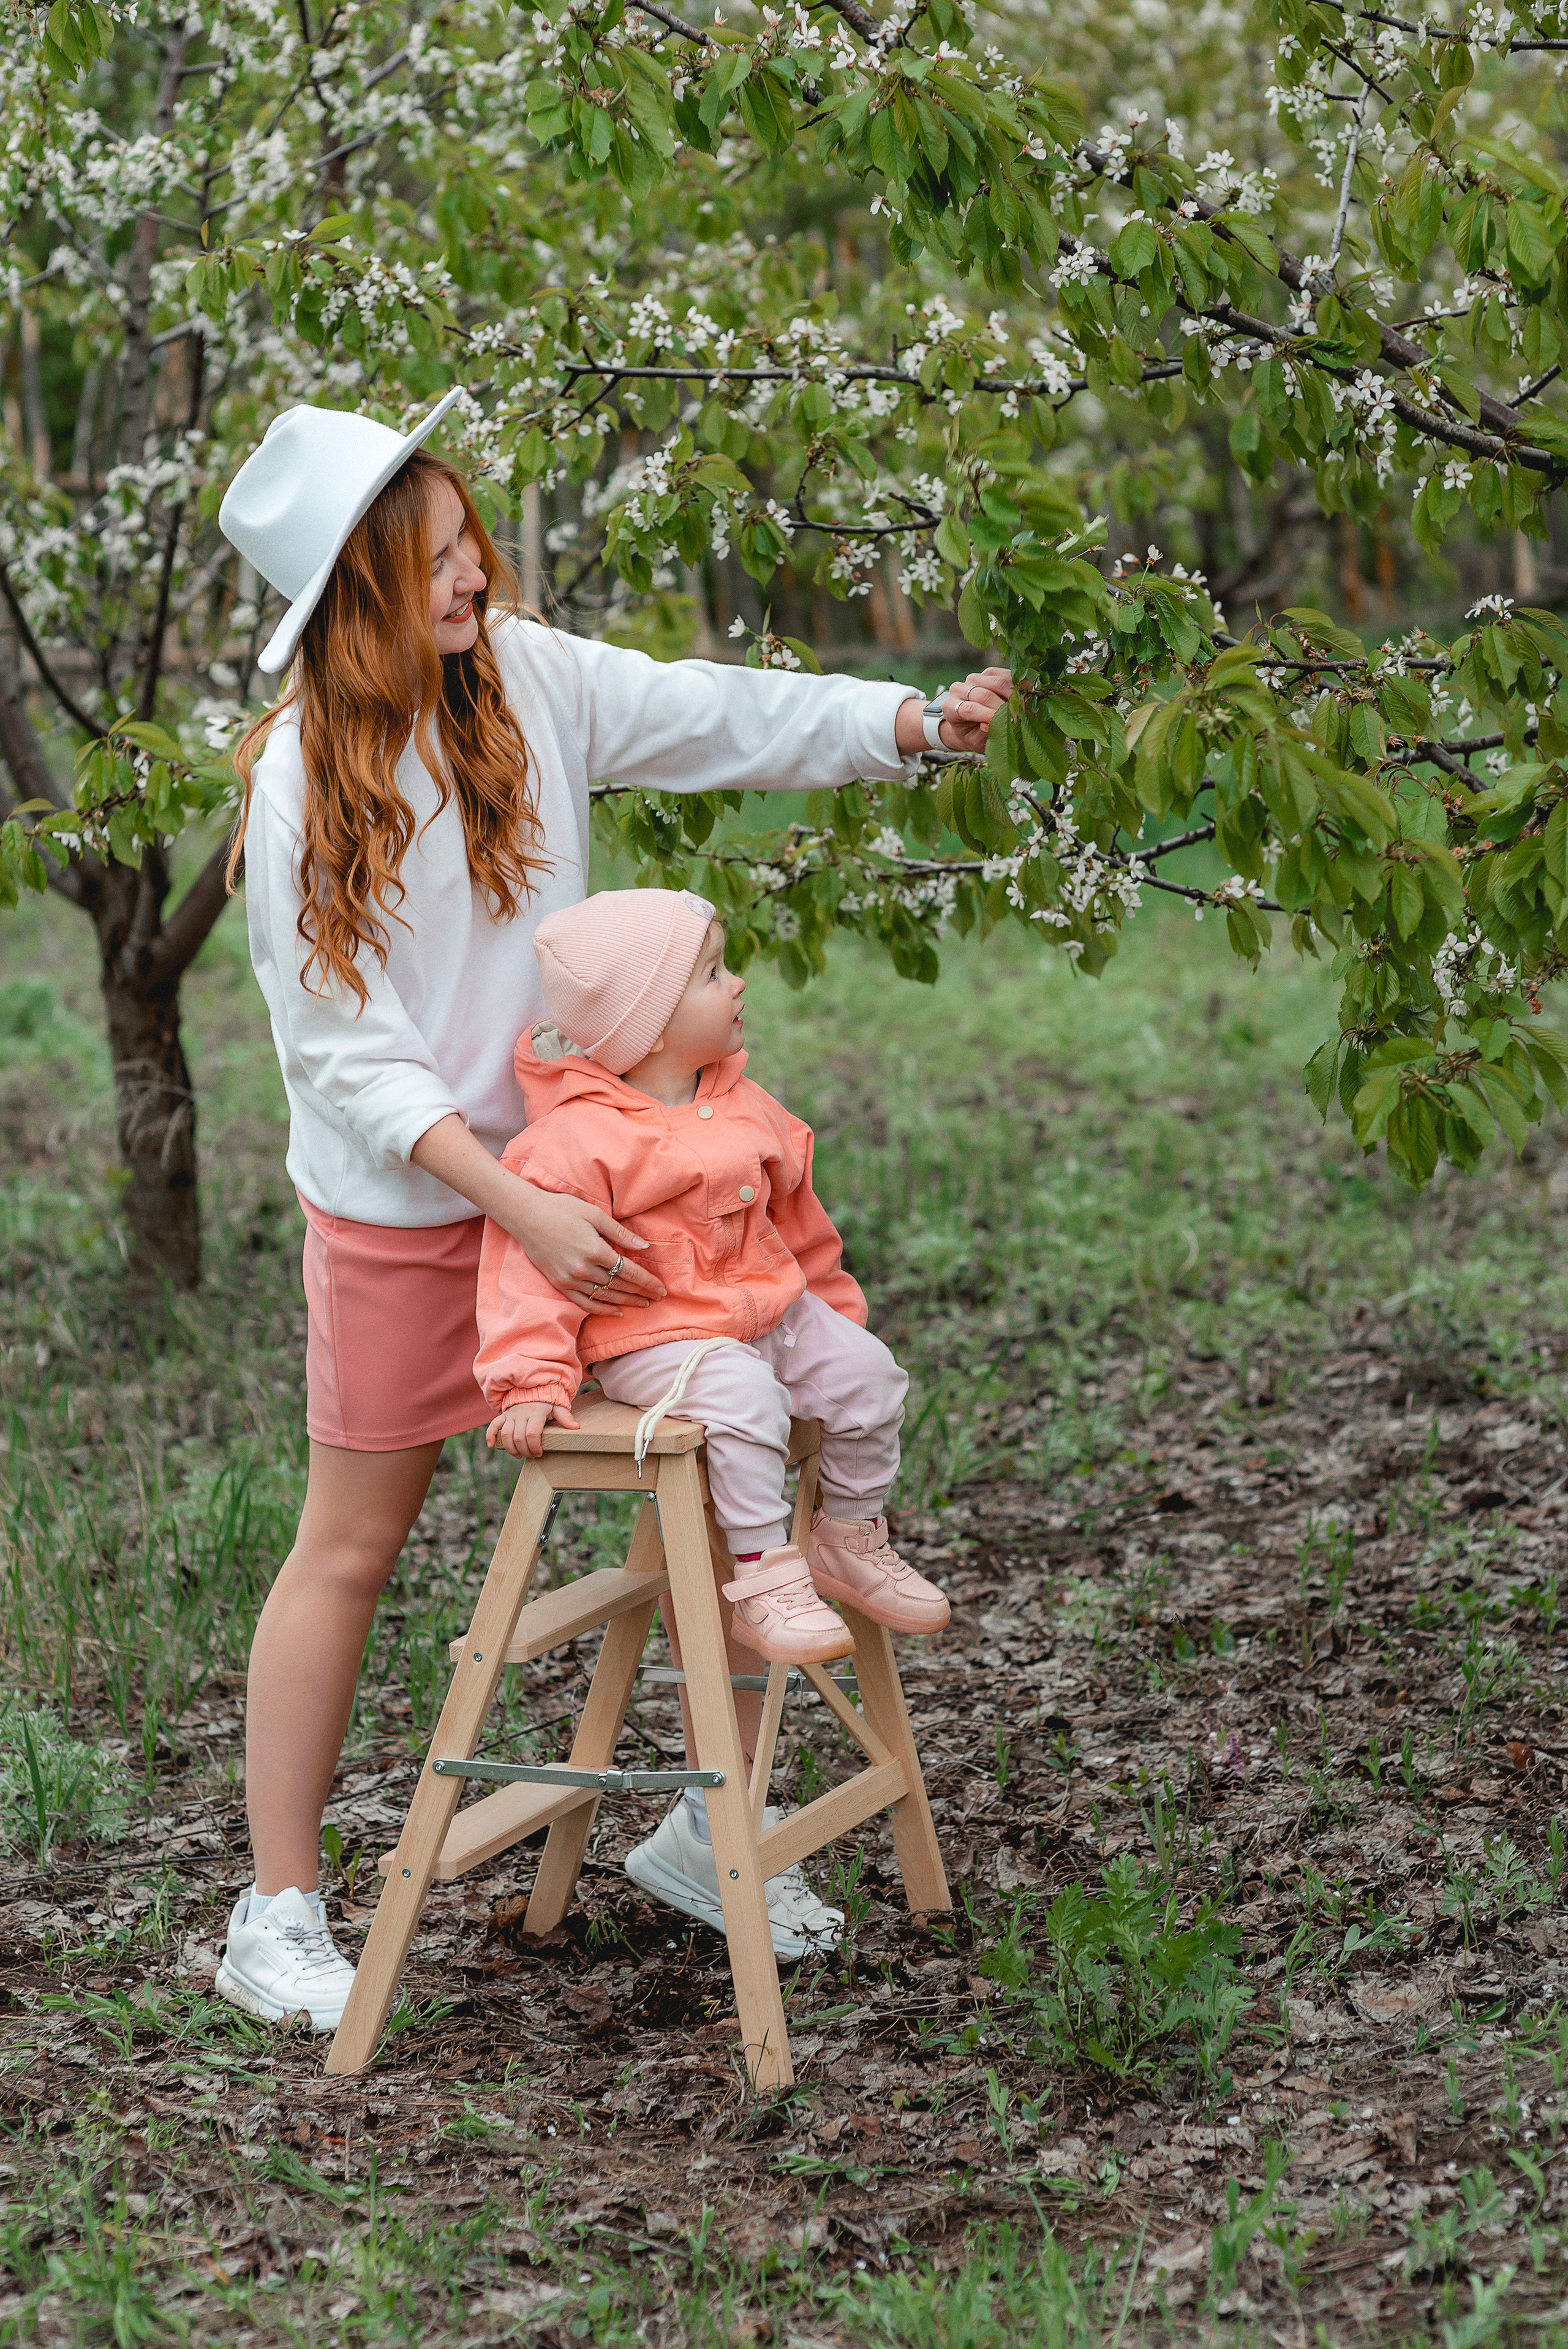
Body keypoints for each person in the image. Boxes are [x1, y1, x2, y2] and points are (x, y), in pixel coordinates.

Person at [208, 387, 1011, 2032]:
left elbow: (717, 712)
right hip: (418, 1213)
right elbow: (340, 1053)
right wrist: (512, 1199)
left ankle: (700, 1829)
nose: (474, 575)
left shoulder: (531, 683)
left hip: (598, 1175)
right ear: (354, 589)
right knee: (353, 1543)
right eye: (434, 561)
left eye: (470, 543)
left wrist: (901, 726)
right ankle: (275, 1905)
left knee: (734, 1450)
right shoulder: (303, 774)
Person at [475, 888, 949, 1954]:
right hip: (657, 1343)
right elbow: (525, 1275)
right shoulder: (571, 1144)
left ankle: (849, 1535)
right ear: (640, 1024)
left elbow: (802, 1226)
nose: (737, 986)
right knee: (739, 1397)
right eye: (710, 973)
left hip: (767, 1313)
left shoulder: (744, 1104)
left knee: (872, 1376)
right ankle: (762, 1570)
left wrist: (833, 1326)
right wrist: (527, 1383)